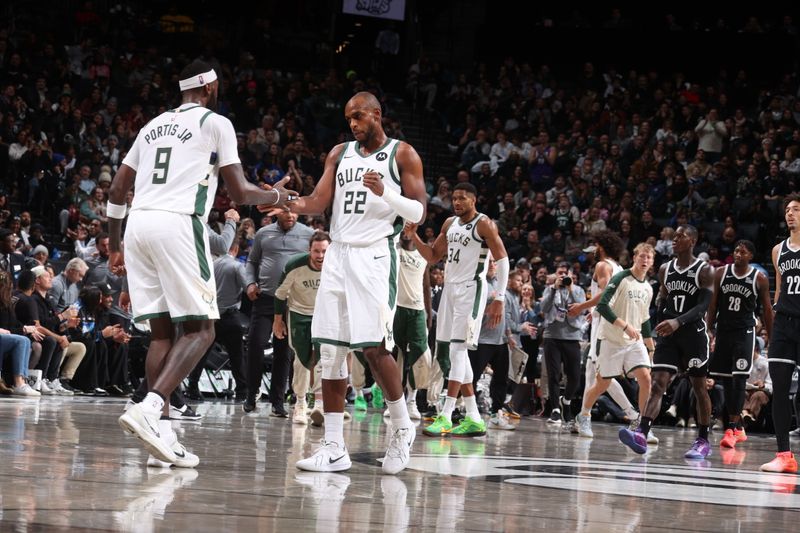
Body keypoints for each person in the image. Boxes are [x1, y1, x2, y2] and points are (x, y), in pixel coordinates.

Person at [109, 60, 294, 469]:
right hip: (177, 223)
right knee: (202, 329)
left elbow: (119, 187)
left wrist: (113, 243)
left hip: (137, 224)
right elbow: (241, 193)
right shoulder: (216, 123)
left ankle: (162, 432)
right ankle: (149, 405)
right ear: (209, 87)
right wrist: (278, 198)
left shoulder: (152, 124)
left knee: (162, 333)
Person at [279, 91, 427, 475]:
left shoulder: (402, 154)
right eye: (349, 119)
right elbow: (316, 201)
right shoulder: (339, 153)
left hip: (375, 255)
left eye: (359, 116)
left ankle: (401, 428)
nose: (354, 124)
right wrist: (287, 202)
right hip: (339, 254)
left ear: (378, 114)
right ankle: (332, 447)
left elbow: (419, 211)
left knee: (375, 349)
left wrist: (385, 192)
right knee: (330, 351)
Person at [409, 182, 509, 438]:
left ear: (473, 200)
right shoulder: (449, 224)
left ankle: (445, 414)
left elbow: (502, 259)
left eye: (462, 198)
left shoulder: (484, 223)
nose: (457, 202)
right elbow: (432, 257)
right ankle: (474, 417)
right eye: (454, 198)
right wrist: (415, 236)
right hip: (450, 290)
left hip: (471, 288)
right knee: (453, 352)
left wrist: (499, 296)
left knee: (457, 350)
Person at [619, 225, 715, 459]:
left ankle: (703, 439)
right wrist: (662, 320)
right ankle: (642, 433)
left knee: (699, 388)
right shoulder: (665, 269)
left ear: (692, 240)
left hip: (694, 335)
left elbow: (704, 306)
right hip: (670, 335)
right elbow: (663, 297)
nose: (674, 240)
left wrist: (678, 322)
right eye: (674, 236)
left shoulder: (705, 270)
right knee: (658, 383)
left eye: (680, 236)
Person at [576, 243, 655, 441]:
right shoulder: (621, 278)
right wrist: (624, 325)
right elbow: (602, 306)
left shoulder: (647, 287)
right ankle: (583, 415)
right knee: (602, 384)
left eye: (649, 258)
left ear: (652, 262)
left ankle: (642, 425)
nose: (645, 260)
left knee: (646, 378)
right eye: (642, 256)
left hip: (633, 341)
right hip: (611, 338)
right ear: (634, 258)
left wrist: (650, 345)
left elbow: (644, 319)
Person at [243, 209, 314, 415]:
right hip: (265, 298)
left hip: (293, 302)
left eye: (294, 212)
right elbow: (252, 262)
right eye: (286, 212)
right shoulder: (263, 233)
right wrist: (249, 283)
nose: (291, 215)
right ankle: (251, 393)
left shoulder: (308, 234)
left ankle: (277, 401)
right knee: (255, 345)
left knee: (284, 352)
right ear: (277, 212)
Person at [706, 239, 773, 449]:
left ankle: (732, 427)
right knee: (726, 382)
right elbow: (713, 303)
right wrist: (709, 329)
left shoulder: (759, 278)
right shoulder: (721, 273)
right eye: (736, 250)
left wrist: (771, 335)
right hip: (724, 331)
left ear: (750, 256)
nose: (738, 254)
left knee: (739, 380)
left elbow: (766, 310)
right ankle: (738, 426)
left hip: (744, 333)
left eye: (743, 252)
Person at [272, 232, 331, 425]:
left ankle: (321, 405)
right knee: (302, 360)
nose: (320, 256)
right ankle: (300, 403)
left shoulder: (336, 266)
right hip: (299, 314)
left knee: (324, 358)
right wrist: (278, 321)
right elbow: (280, 294)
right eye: (316, 251)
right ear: (309, 250)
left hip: (324, 315)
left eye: (324, 251)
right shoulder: (294, 265)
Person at [761, 193, 800, 473]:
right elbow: (779, 288)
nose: (790, 214)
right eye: (787, 210)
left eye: (796, 209)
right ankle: (784, 454)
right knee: (780, 390)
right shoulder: (778, 250)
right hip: (785, 324)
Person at [391, 229, 433, 421]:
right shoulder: (393, 249)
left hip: (417, 310)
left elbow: (427, 286)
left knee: (420, 355)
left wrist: (429, 313)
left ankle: (412, 401)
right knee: (396, 356)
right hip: (396, 308)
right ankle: (395, 401)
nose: (405, 232)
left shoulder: (423, 255)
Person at [541, 261, 586, 428]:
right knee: (553, 375)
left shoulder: (579, 290)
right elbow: (544, 308)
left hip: (572, 336)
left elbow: (581, 308)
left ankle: (566, 401)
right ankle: (555, 410)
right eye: (560, 273)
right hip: (552, 335)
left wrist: (571, 289)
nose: (562, 276)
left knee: (574, 376)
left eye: (565, 273)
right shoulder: (549, 289)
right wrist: (554, 289)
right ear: (556, 274)